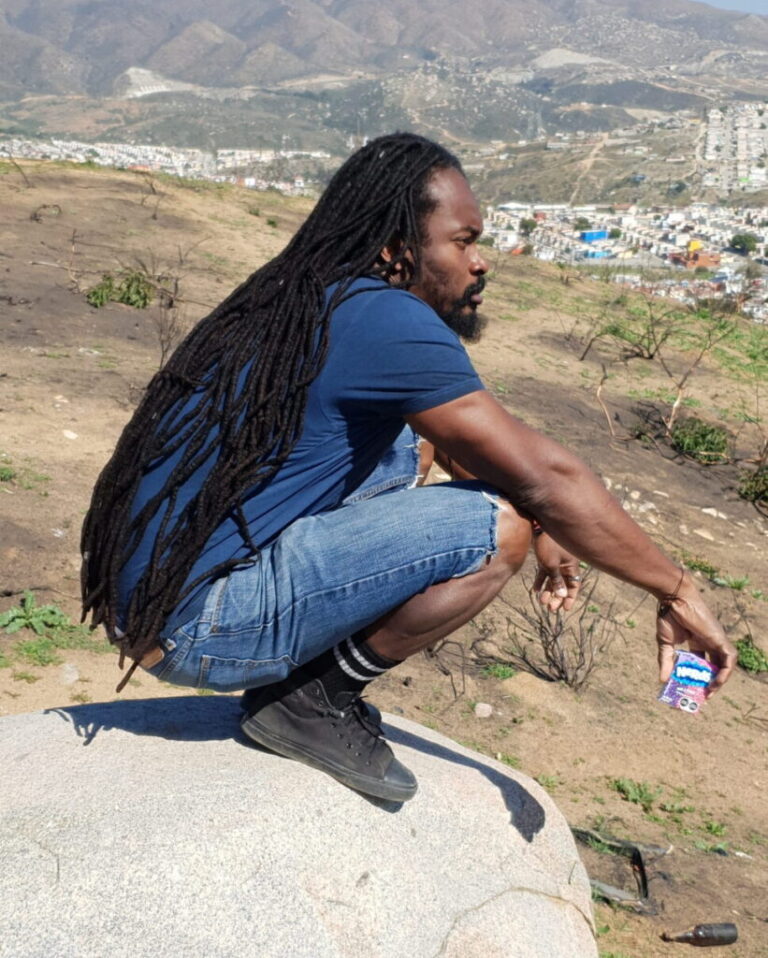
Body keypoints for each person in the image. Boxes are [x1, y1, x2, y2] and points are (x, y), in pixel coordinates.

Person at [81, 133, 736, 803]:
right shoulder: (389, 319)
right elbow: (549, 477)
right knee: (497, 525)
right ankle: (311, 702)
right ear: (398, 250)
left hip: (159, 600)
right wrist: (675, 590)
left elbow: (469, 446)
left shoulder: (308, 293)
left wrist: (553, 529)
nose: (480, 263)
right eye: (463, 242)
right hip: (201, 623)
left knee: (411, 442)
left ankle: (299, 682)